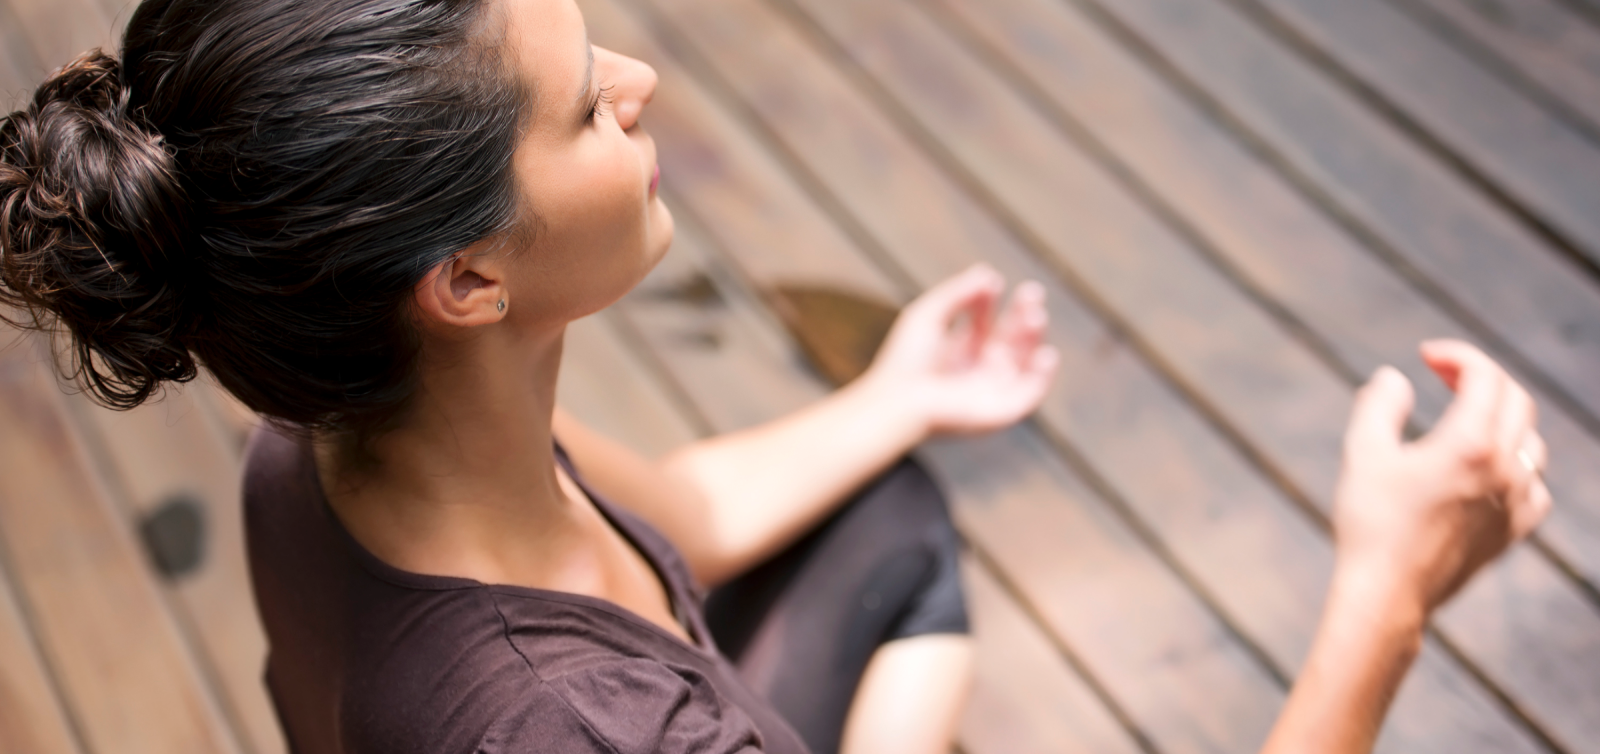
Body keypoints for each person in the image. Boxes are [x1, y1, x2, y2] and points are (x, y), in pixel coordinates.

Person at [0, 0, 1551, 752]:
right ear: (467, 277)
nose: (639, 80)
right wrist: (1389, 593)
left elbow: (675, 509)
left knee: (895, 516)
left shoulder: (337, 429)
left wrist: (900, 397)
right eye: (583, 112)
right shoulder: (583, 726)